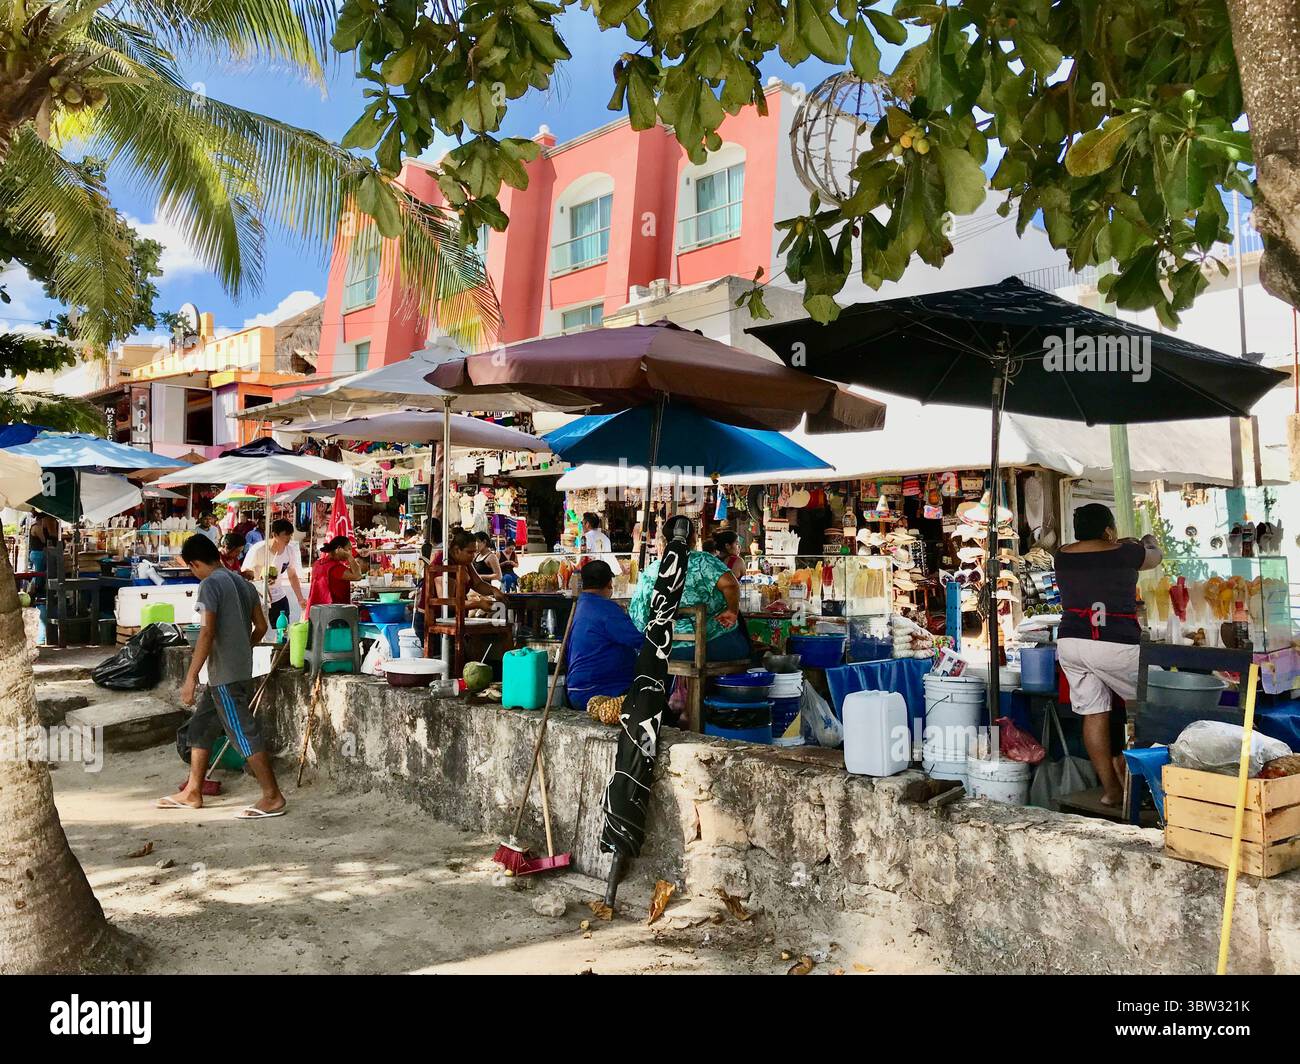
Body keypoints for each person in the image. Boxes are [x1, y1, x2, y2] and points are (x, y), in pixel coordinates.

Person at [158, 534, 286, 819]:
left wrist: (191, 677)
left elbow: (206, 631)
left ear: (194, 564)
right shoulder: (242, 582)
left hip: (225, 674)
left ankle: (272, 796)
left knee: (242, 732)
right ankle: (193, 790)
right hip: (238, 670)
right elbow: (262, 626)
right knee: (201, 728)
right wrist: (241, 647)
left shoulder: (209, 585)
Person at [1054, 503, 1163, 807]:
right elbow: (1154, 557)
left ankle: (1112, 789)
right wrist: (1148, 541)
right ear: (1107, 530)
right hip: (1116, 643)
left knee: (1094, 712)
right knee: (1151, 706)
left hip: (1072, 643)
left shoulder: (1061, 555)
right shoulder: (1124, 552)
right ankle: (1142, 785)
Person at [629, 517, 747, 662]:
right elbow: (730, 584)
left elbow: (638, 616)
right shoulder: (703, 561)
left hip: (665, 650)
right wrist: (732, 610)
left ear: (666, 539)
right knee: (747, 646)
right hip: (712, 644)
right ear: (693, 537)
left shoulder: (652, 570)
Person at [565, 560, 644, 713]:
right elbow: (639, 640)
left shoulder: (581, 605)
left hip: (577, 690)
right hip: (600, 690)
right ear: (609, 584)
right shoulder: (605, 609)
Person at [241, 518, 306, 627]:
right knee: (260, 632)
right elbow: (245, 573)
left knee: (282, 631)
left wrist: (300, 598)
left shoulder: (289, 551)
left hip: (279, 597)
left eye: (290, 535)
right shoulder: (258, 549)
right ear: (275, 534)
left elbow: (292, 575)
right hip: (259, 599)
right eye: (286, 534)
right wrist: (261, 579)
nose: (289, 538)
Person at [307, 536, 368, 609]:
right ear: (339, 549)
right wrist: (349, 557)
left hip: (315, 608)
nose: (351, 552)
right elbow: (358, 576)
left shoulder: (318, 563)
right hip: (332, 611)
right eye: (348, 549)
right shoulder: (335, 568)